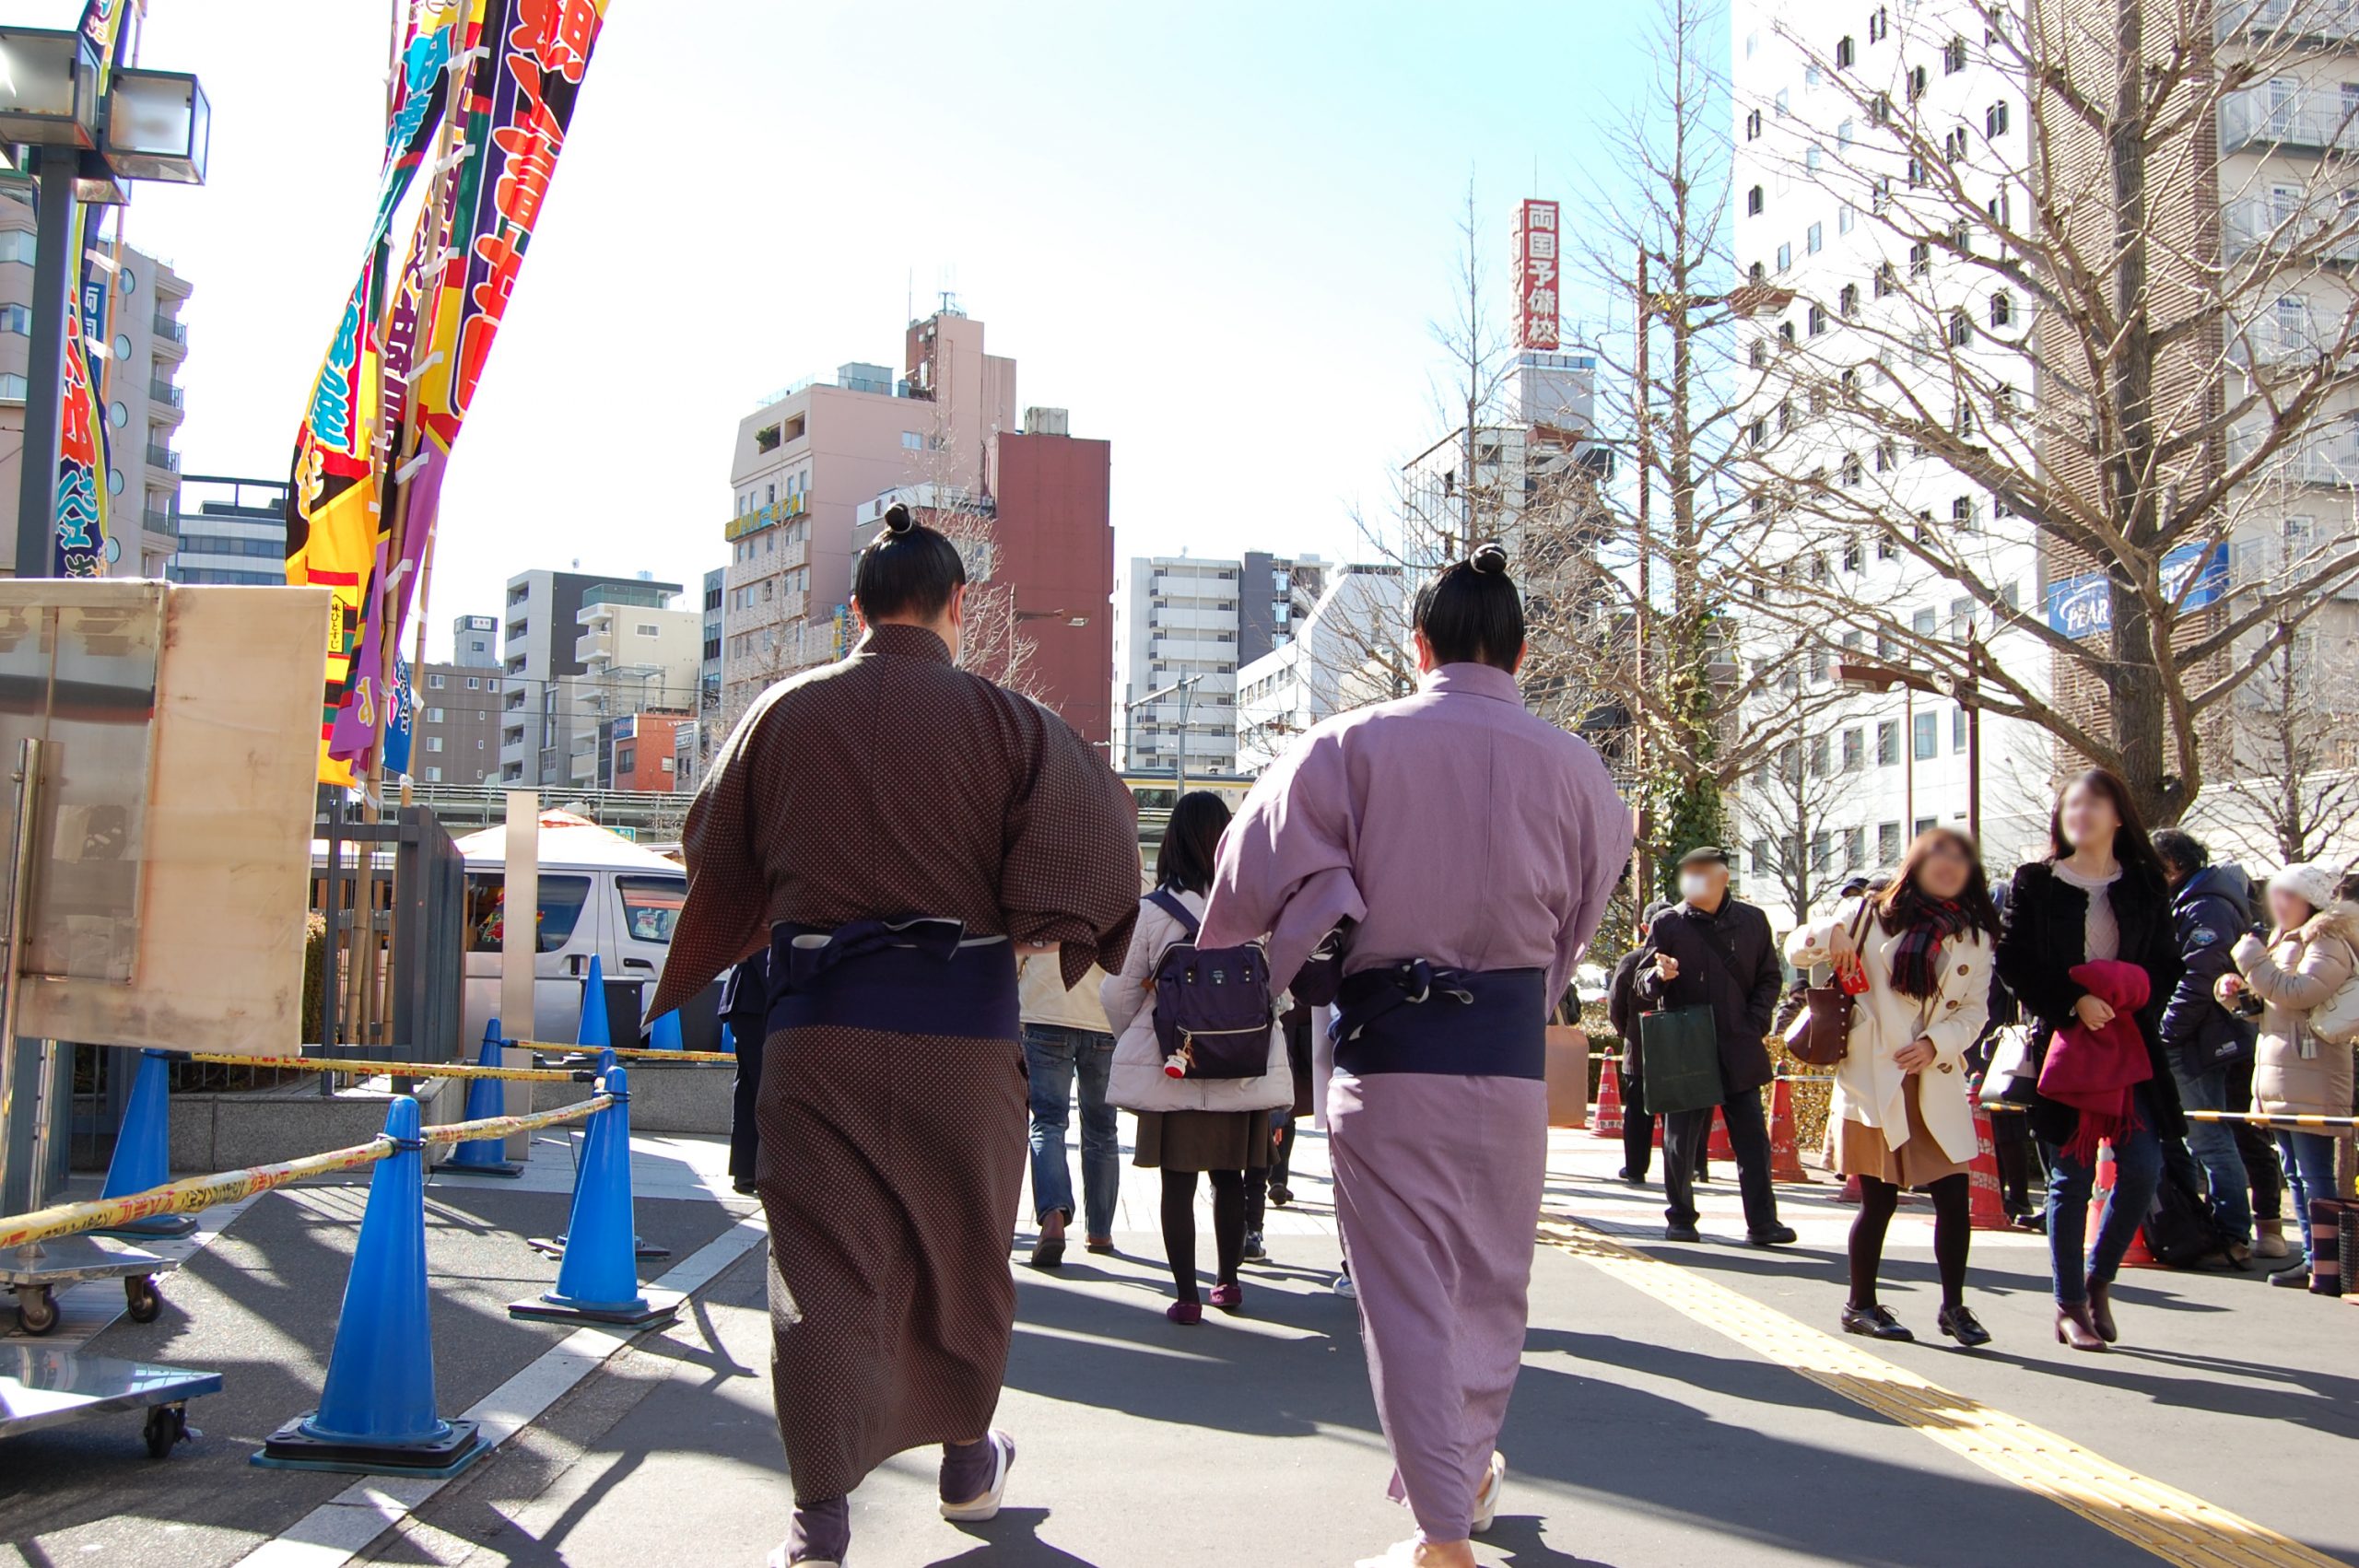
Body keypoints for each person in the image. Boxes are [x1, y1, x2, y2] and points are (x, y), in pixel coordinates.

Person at [645, 504, 1141, 1568]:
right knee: (964, 1253)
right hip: (962, 1032)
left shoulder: (781, 712)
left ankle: (820, 1521)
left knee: (819, 1271)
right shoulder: (1013, 725)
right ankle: (967, 1460)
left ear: (854, 609)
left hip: (817, 1029)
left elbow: (708, 839)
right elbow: (1099, 832)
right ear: (960, 606)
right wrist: (1039, 918)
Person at [1198, 544, 1630, 1568]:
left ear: (1418, 642)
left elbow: (1239, 874)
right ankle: (1467, 1472)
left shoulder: (1350, 743)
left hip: (1391, 1057)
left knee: (1408, 1297)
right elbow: (1581, 918)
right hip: (1509, 1053)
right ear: (1521, 651)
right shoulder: (1576, 766)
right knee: (1491, 1285)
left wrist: (1284, 923)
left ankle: (1443, 1534)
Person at [1994, 767, 2184, 1352]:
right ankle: (2069, 1304)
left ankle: (2100, 1281)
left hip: (2129, 1046)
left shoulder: (2146, 883)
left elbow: (2166, 964)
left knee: (2145, 1165)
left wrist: (2124, 992)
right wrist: (2074, 1001)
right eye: (2071, 804)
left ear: (2119, 816)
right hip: (2063, 1046)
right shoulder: (2035, 881)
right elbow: (2014, 962)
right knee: (2070, 1179)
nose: (2081, 813)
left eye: (2094, 803)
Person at [1787, 830, 1999, 1347]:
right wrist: (1827, 935)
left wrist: (1937, 1044)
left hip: (1931, 1076)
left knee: (1953, 1196)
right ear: (1916, 863)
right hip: (1875, 1075)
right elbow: (1795, 947)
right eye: (1938, 857)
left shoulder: (1973, 935)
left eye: (1960, 861)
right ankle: (1859, 1303)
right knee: (1877, 1201)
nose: (1948, 868)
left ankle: (1954, 1306)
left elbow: (1975, 1012)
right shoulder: (1867, 914)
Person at [1104, 790, 1293, 1322]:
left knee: (1177, 1182)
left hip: (1175, 1068)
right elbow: (1280, 989)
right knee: (1230, 1177)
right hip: (1242, 1068)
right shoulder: (1253, 907)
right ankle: (1228, 1283)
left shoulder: (1152, 911)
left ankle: (1187, 1296)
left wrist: (1147, 1033)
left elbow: (1117, 995)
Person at [1637, 847, 1796, 1246]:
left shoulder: (1753, 920)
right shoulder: (1668, 923)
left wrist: (1755, 1022)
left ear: (1724, 877)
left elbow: (1769, 978)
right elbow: (1641, 981)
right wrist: (1660, 975)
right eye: (1688, 873)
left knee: (1752, 1137)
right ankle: (1681, 1218)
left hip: (1737, 1041)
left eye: (1702, 873)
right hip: (1687, 1041)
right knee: (1680, 1138)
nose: (1692, 880)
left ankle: (1762, 1222)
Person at [2222, 860, 2359, 1291]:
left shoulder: (2327, 939)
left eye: (2289, 894)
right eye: (2275, 893)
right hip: (2286, 1070)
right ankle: (2315, 1259)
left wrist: (2249, 962)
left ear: (2311, 900)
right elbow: (2274, 1004)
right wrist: (2234, 993)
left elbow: (2300, 993)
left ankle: (2329, 1263)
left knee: (2314, 1172)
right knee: (2295, 1171)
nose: (2277, 903)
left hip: (2313, 1070)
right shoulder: (2285, 940)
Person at [2150, 828, 2265, 1264]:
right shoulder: (2202, 896)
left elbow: (2199, 977)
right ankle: (2212, 1229)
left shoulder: (2205, 904)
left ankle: (2233, 1234)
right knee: (2197, 1136)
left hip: (2195, 1039)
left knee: (2209, 1138)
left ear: (2173, 866)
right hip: (2197, 1035)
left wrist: (2166, 1031)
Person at [1017, 951, 1120, 1268]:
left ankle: (1053, 1218)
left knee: (1047, 1122)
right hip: (1104, 1015)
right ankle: (1100, 1230)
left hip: (1045, 1006)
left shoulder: (1040, 896)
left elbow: (1018, 952)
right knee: (1102, 1128)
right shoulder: (1126, 896)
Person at [1605, 903, 1672, 1185]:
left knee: (1637, 1112)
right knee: (1679, 1112)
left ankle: (1635, 1168)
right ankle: (1689, 1168)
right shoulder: (1685, 960)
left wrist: (1627, 1034)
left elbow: (1614, 1005)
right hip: (1678, 1048)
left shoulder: (1632, 960)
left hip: (1640, 1045)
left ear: (1645, 928)